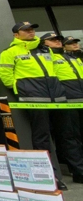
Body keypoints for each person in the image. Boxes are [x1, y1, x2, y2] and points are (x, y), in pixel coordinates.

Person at [0, 22, 68, 190]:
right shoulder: (10, 52)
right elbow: (6, 75)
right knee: (41, 137)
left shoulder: (46, 50)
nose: (30, 32)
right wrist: (21, 89)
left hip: (57, 99)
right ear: (16, 34)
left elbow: (55, 72)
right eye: (26, 30)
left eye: (32, 29)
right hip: (34, 99)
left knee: (65, 135)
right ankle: (50, 176)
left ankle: (65, 171)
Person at [40, 33, 83, 184]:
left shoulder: (74, 58)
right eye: (53, 40)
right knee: (70, 136)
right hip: (67, 102)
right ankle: (78, 171)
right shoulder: (48, 58)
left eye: (58, 39)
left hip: (81, 101)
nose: (57, 42)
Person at [63, 36, 83, 144]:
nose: (75, 44)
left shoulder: (79, 58)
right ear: (64, 47)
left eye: (76, 42)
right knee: (74, 131)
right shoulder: (61, 58)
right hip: (71, 100)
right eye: (71, 43)